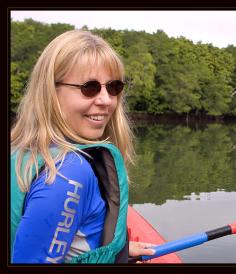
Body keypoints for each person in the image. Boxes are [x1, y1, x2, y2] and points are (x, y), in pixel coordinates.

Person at [10, 30, 155, 263]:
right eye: (90, 87)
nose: (106, 100)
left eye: (113, 87)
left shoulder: (20, 150)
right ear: (51, 91)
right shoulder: (70, 173)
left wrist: (114, 253)